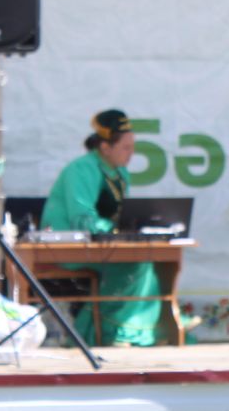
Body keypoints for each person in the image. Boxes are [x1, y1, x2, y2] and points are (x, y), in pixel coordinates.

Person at [41, 108, 165, 347]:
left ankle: (133, 329)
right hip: (69, 246)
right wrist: (117, 232)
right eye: (126, 148)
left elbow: (119, 215)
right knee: (137, 261)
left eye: (132, 146)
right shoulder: (81, 169)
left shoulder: (121, 173)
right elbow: (82, 219)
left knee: (148, 257)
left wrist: (131, 228)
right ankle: (115, 331)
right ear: (105, 147)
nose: (132, 153)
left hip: (101, 244)